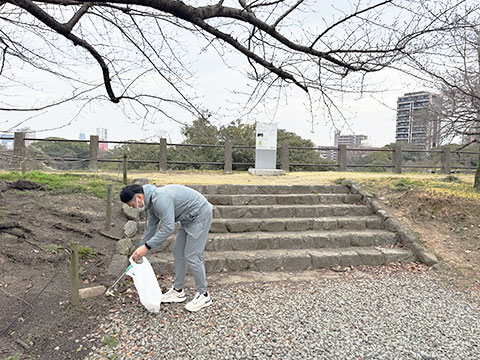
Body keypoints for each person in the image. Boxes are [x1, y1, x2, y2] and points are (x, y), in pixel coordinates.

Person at [120, 183, 213, 312]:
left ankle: (204, 295)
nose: (134, 208)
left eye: (132, 205)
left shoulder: (160, 199)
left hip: (200, 215)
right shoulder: (151, 204)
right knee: (178, 252)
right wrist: (140, 249)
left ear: (139, 197)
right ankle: (178, 291)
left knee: (192, 255)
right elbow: (151, 227)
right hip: (188, 219)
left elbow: (168, 228)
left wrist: (147, 246)